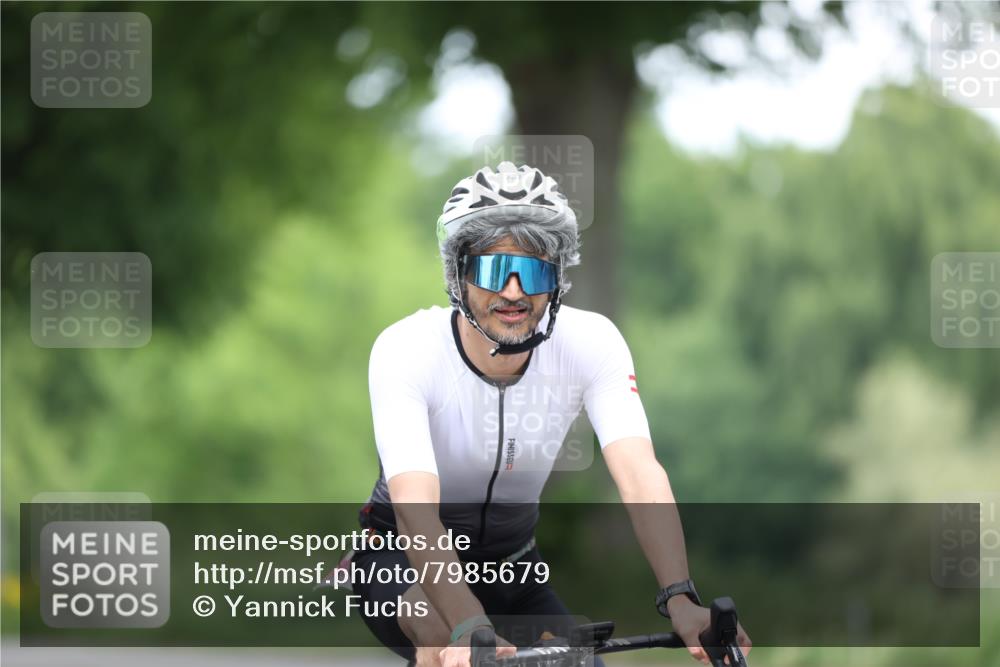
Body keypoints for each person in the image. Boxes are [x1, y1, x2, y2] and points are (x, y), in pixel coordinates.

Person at [352, 161, 751, 667]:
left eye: (535, 270)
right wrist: (469, 624)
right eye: (496, 270)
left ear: (557, 279)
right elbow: (415, 508)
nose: (515, 291)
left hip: (514, 567)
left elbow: (639, 472)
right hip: (400, 561)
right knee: (441, 643)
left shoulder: (592, 342)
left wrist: (681, 597)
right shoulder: (406, 349)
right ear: (459, 275)